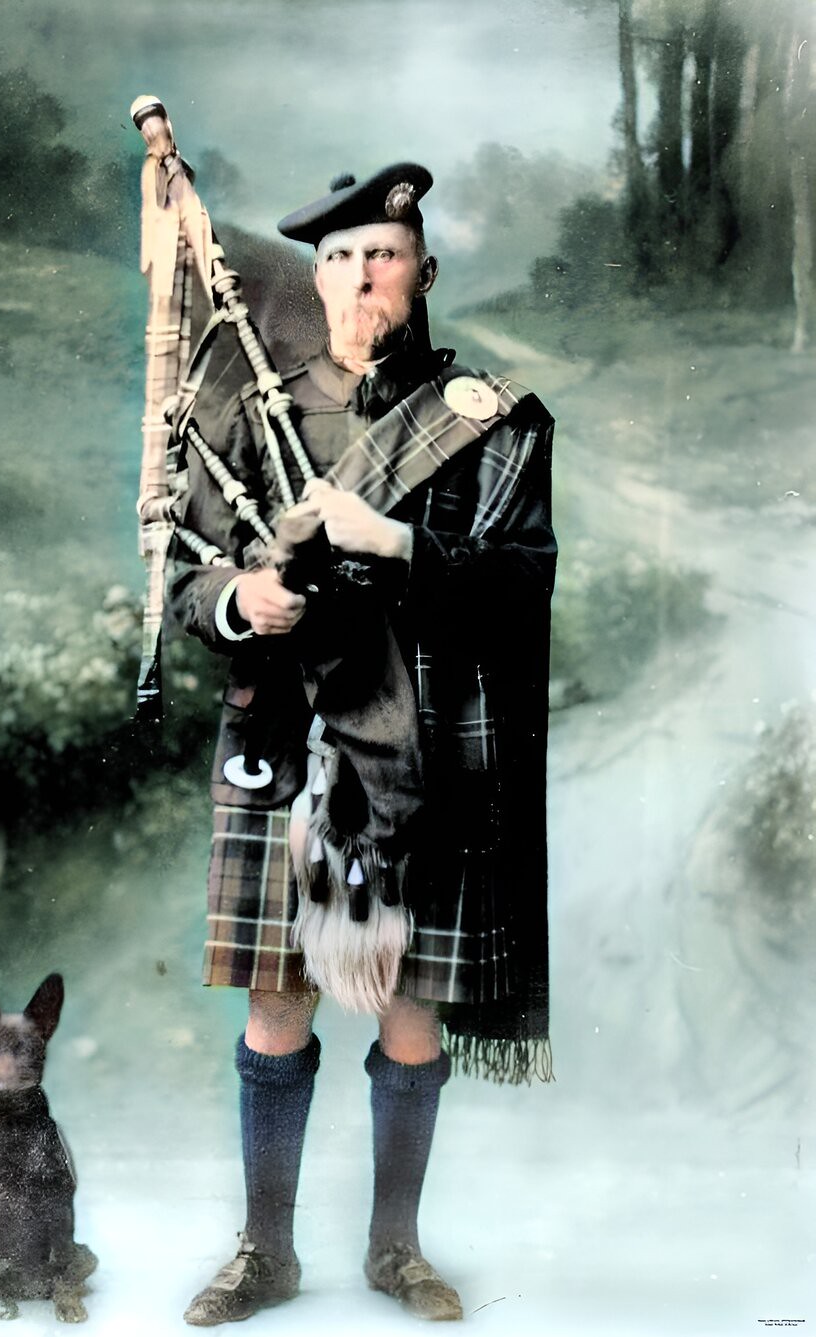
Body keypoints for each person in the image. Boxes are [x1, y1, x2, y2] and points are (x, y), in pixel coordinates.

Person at [169, 163, 556, 1326]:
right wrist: (245, 599)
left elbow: (521, 584)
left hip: (425, 750)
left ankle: (395, 1249)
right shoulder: (251, 414)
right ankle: (266, 1253)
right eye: (338, 256)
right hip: (288, 747)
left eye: (381, 254)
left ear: (422, 273)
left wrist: (392, 540)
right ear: (315, 276)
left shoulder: (492, 420)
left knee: (409, 1006)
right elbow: (181, 579)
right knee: (276, 1001)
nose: (359, 275)